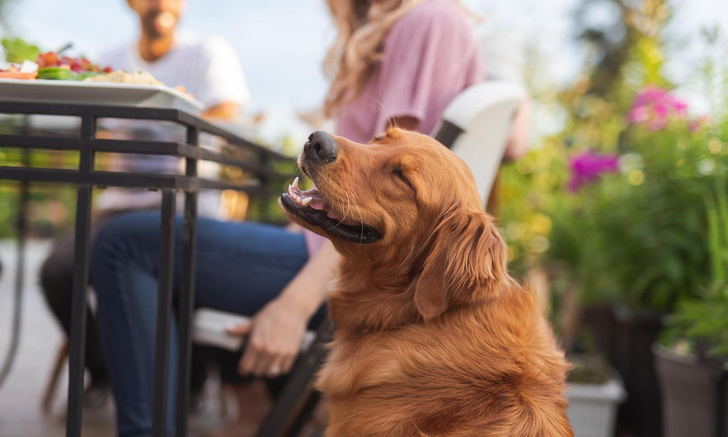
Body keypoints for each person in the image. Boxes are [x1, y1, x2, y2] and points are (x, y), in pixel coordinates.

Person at [91, 0, 497, 435]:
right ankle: (248, 412)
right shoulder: (422, 24)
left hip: (337, 265)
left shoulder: (428, 20)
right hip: (324, 245)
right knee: (175, 239)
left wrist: (296, 303)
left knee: (125, 245)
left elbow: (402, 191)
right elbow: (513, 141)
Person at [39, 0, 249, 408]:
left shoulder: (207, 51)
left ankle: (182, 386)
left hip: (186, 200)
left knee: (166, 268)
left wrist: (151, 120)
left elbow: (226, 117)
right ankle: (107, 372)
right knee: (58, 270)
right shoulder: (109, 59)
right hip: (121, 202)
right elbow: (96, 126)